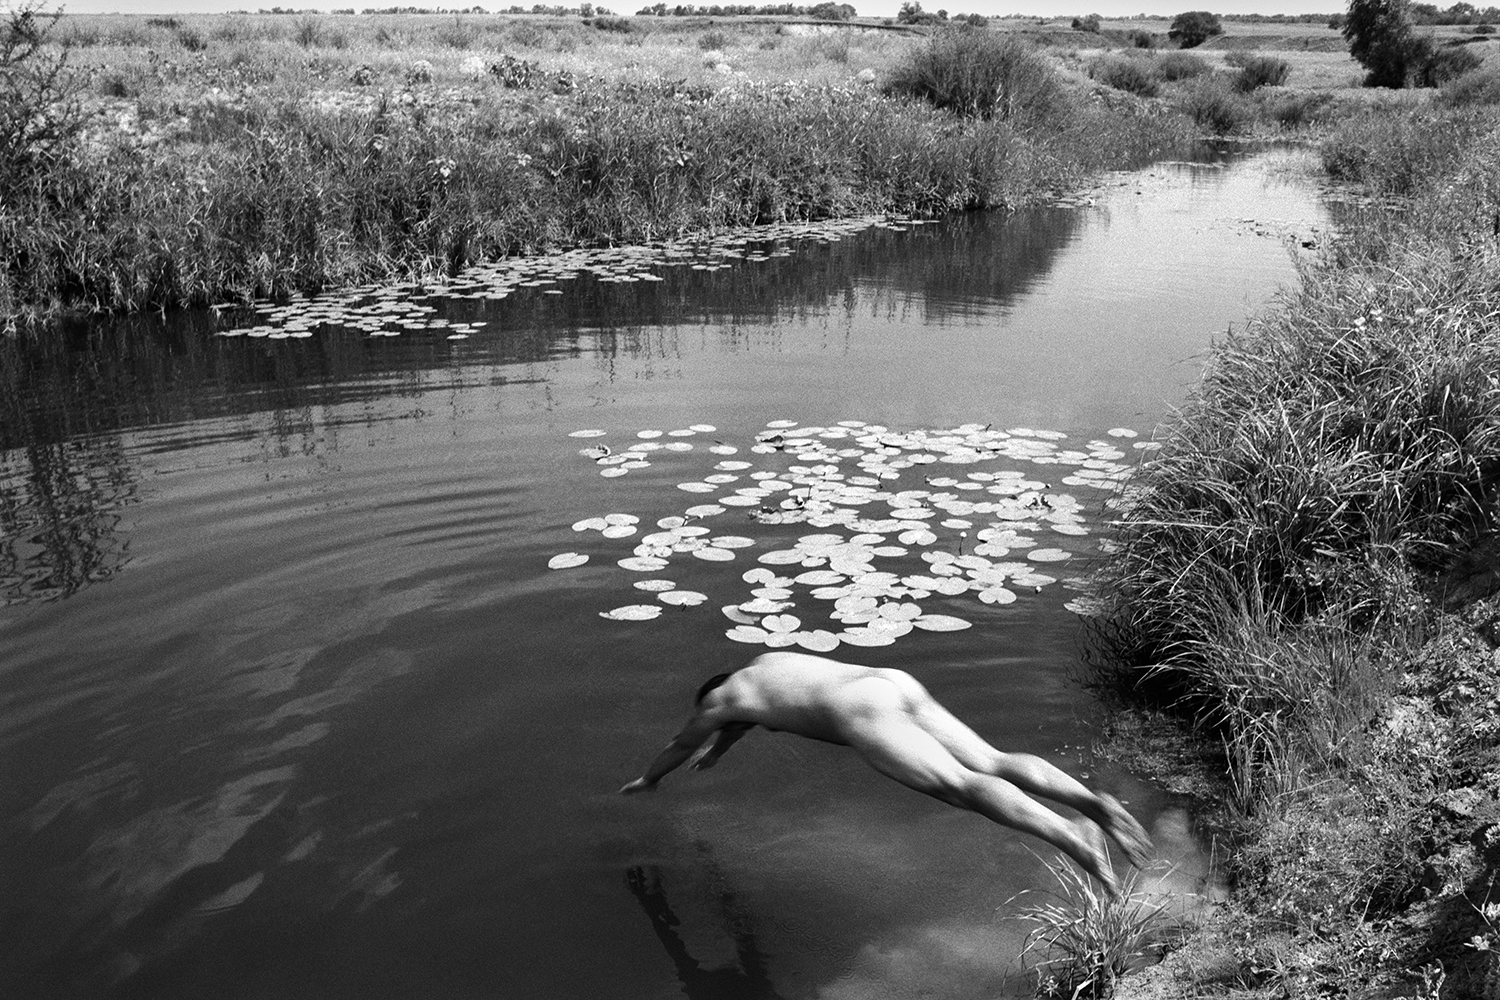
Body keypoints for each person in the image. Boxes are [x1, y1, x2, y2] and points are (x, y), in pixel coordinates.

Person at [620, 651, 1153, 896]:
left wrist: (652, 780)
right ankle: (1095, 805)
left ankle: (1072, 837)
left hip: (861, 712)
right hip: (890, 680)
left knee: (961, 786)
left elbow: (681, 740)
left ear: (710, 694)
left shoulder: (718, 700)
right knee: (990, 759)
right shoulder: (761, 665)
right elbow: (752, 716)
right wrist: (721, 750)